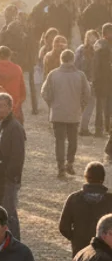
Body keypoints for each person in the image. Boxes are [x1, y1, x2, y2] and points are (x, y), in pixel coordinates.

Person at [43, 48, 92, 177]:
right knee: (72, 140)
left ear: (61, 59)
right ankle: (70, 163)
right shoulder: (80, 75)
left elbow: (44, 92)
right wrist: (81, 106)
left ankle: (60, 167)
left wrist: (51, 104)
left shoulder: (53, 74)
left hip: (57, 112)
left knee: (59, 141)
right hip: (74, 112)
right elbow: (87, 94)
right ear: (73, 60)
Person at [0, 93, 27, 240]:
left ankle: (15, 241)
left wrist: (10, 176)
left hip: (7, 178)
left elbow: (17, 156)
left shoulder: (14, 127)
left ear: (10, 108)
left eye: (1, 106)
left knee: (9, 212)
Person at [60, 163, 112, 255]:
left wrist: (75, 238)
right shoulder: (110, 200)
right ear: (103, 179)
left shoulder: (74, 198)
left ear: (86, 177)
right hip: (106, 248)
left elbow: (64, 227)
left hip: (79, 247)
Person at [0, 47, 25, 122]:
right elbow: (22, 90)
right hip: (15, 106)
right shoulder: (17, 69)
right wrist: (18, 103)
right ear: (9, 56)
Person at [78, 29, 102, 136]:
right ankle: (83, 128)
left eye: (94, 36)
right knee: (88, 105)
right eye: (90, 36)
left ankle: (82, 127)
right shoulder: (83, 50)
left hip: (90, 80)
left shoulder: (96, 49)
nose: (92, 39)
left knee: (86, 105)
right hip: (87, 81)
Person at [96, 24, 112, 137]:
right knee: (100, 105)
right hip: (102, 79)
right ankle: (99, 129)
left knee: (109, 106)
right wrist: (95, 78)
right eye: (108, 32)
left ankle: (108, 127)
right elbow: (95, 63)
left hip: (109, 79)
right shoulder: (100, 44)